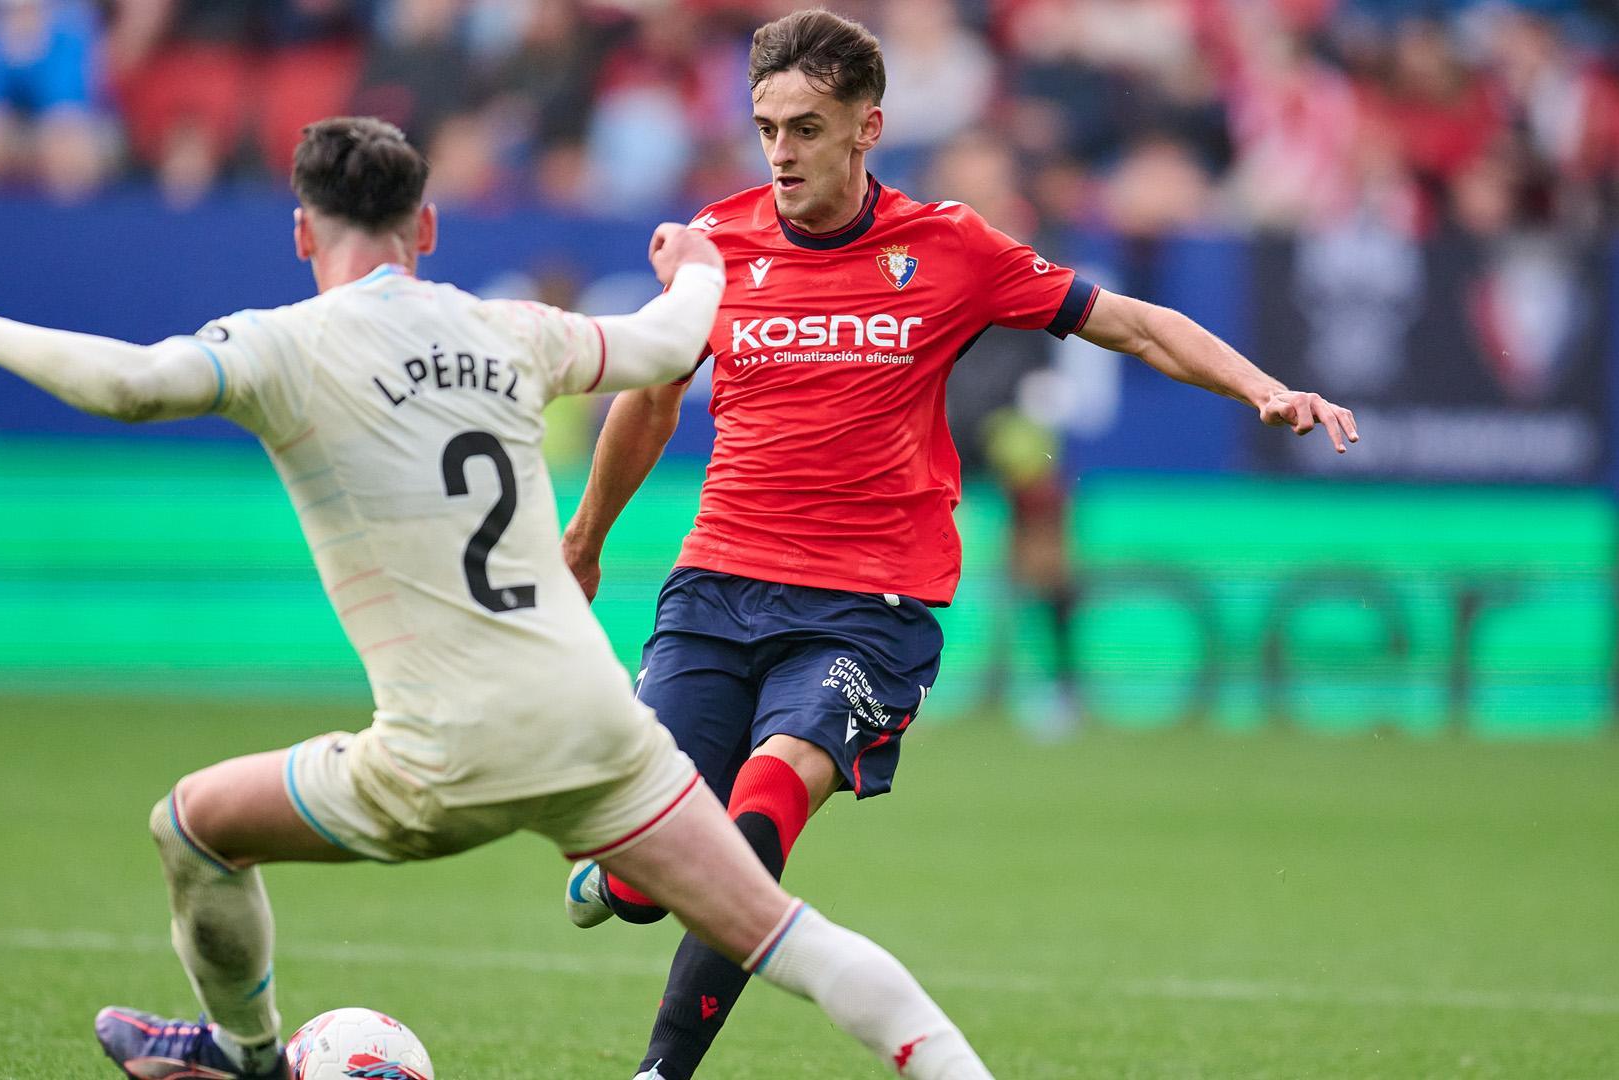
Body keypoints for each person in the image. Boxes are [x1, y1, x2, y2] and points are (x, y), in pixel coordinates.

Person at [0, 116, 994, 1080]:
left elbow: (130, 385)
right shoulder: (508, 328)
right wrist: (701, 263)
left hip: (441, 751)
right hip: (599, 727)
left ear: (302, 232)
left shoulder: (280, 346)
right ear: (428, 229)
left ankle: (243, 1055)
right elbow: (661, 344)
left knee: (192, 826)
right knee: (783, 935)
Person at [558, 11, 1358, 1080]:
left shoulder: (949, 247)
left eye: (808, 126)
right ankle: (628, 883)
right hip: (714, 591)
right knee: (661, 861)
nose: (784, 151)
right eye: (766, 128)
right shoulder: (718, 246)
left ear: (866, 128)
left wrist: (1262, 385)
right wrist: (584, 539)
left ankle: (658, 1073)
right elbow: (650, 405)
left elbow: (1128, 321)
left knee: (760, 816)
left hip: (865, 609)